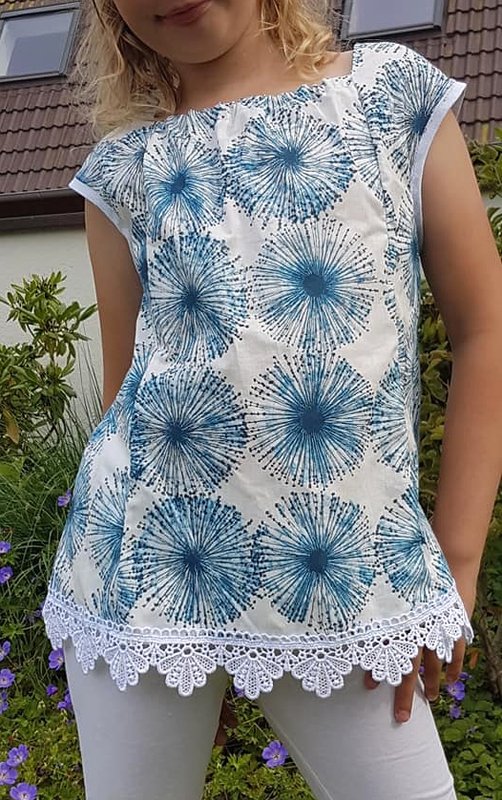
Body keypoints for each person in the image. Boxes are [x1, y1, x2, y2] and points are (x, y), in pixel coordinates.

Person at [41, 1, 502, 798]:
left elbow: (485, 329)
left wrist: (455, 566)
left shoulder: (388, 96)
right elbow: (125, 393)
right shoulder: (124, 167)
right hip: (141, 586)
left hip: (350, 576)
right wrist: (195, 651)